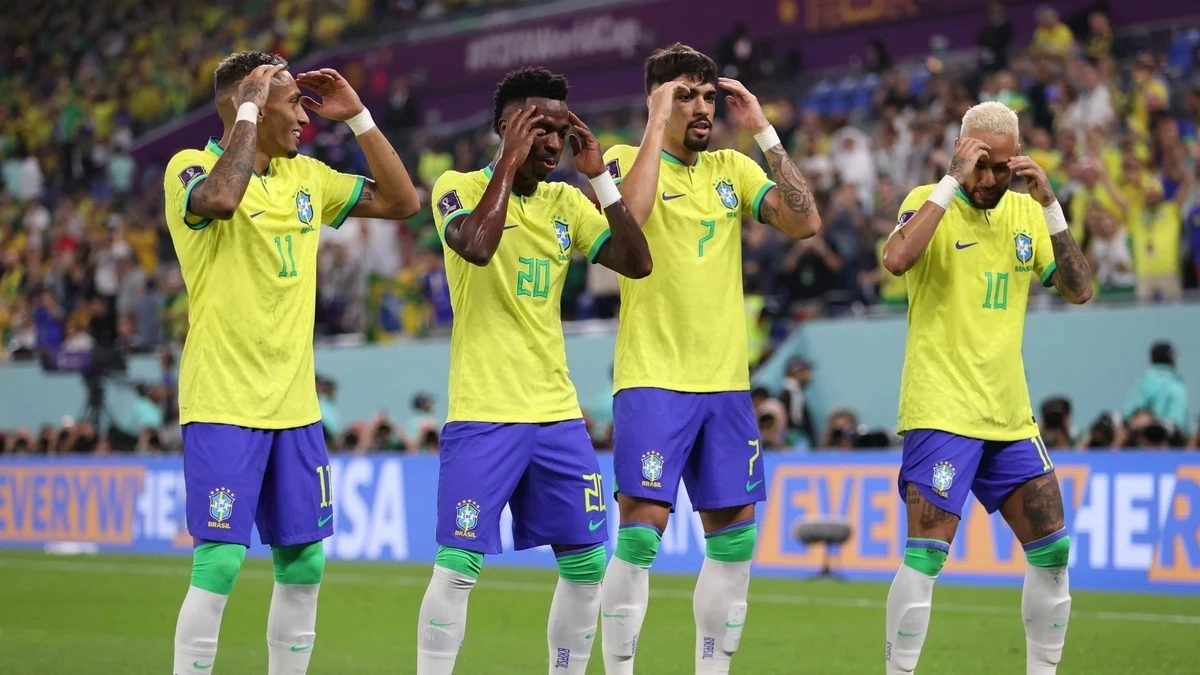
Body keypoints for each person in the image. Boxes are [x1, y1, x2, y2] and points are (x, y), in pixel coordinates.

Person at [163, 51, 419, 675]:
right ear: (246, 104)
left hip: (295, 408)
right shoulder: (192, 167)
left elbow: (402, 200)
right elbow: (222, 199)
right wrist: (249, 106)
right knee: (220, 561)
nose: (305, 114)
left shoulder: (308, 177)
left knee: (305, 563)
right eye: (291, 100)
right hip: (224, 400)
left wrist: (358, 116)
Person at [415, 66, 652, 675]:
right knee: (460, 564)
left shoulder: (566, 202)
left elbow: (636, 261)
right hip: (484, 413)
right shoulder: (457, 185)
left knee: (585, 563)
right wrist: (506, 162)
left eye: (560, 130)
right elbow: (477, 245)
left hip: (556, 415)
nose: (554, 143)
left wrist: (598, 175)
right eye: (540, 129)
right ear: (506, 129)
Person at [598, 43, 821, 674]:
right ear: (658, 100)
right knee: (640, 538)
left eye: (705, 95)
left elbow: (805, 223)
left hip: (726, 387)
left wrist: (765, 134)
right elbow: (630, 222)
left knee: (735, 545)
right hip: (653, 380)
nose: (701, 107)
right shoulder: (622, 160)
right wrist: (653, 123)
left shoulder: (731, 168)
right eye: (684, 95)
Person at [880, 100, 1093, 674]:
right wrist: (950, 180)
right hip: (942, 410)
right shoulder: (928, 202)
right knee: (925, 558)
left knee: (1053, 550)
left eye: (1002, 167)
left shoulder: (1026, 216)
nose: (990, 178)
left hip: (1009, 416)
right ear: (959, 152)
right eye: (979, 163)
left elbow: (1079, 289)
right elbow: (896, 258)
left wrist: (1050, 205)